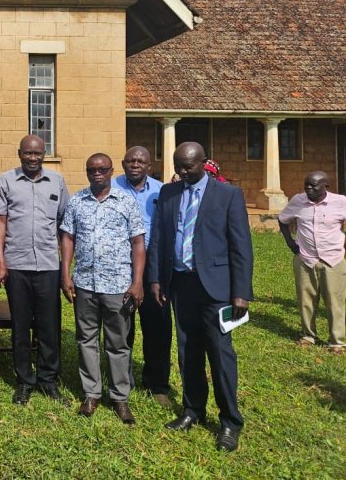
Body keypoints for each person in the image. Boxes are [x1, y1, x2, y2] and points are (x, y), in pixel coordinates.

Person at [147, 142, 253, 452]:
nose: (182, 171)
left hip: (216, 289)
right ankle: (193, 410)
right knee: (187, 352)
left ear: (204, 163)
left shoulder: (228, 195)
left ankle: (230, 421)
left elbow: (241, 246)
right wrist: (156, 279)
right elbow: (158, 239)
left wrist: (241, 292)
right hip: (181, 284)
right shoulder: (169, 193)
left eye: (188, 166)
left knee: (220, 355)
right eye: (178, 166)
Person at [61, 153, 146, 424]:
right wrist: (65, 274)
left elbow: (138, 243)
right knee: (86, 340)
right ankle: (91, 394)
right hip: (85, 283)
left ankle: (120, 397)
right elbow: (68, 238)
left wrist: (137, 282)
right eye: (92, 170)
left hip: (118, 285)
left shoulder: (126, 201)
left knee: (117, 343)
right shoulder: (76, 201)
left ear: (111, 171)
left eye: (102, 169)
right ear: (87, 172)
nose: (97, 174)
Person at [0, 134, 69, 406]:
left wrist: (65, 268)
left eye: (37, 153)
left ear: (44, 154)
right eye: (28, 153)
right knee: (20, 324)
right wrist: (0, 260)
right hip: (17, 264)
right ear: (19, 153)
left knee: (49, 325)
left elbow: (64, 225)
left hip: (48, 265)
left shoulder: (57, 182)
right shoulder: (7, 181)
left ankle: (48, 379)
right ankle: (25, 380)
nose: (33, 158)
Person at [115, 146, 170, 405]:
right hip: (120, 265)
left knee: (157, 326)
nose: (135, 164)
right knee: (121, 325)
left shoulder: (162, 191)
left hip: (153, 267)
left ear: (150, 166)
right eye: (130, 160)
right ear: (123, 163)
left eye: (141, 161)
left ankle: (157, 383)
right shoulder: (111, 187)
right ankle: (121, 379)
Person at [278, 171, 346, 354]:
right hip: (305, 259)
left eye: (313, 185)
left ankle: (337, 342)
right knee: (305, 300)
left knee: (335, 301)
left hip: (333, 259)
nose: (309, 188)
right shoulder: (298, 201)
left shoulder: (340, 202)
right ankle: (308, 336)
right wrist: (290, 243)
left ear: (326, 186)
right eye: (306, 185)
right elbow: (282, 220)